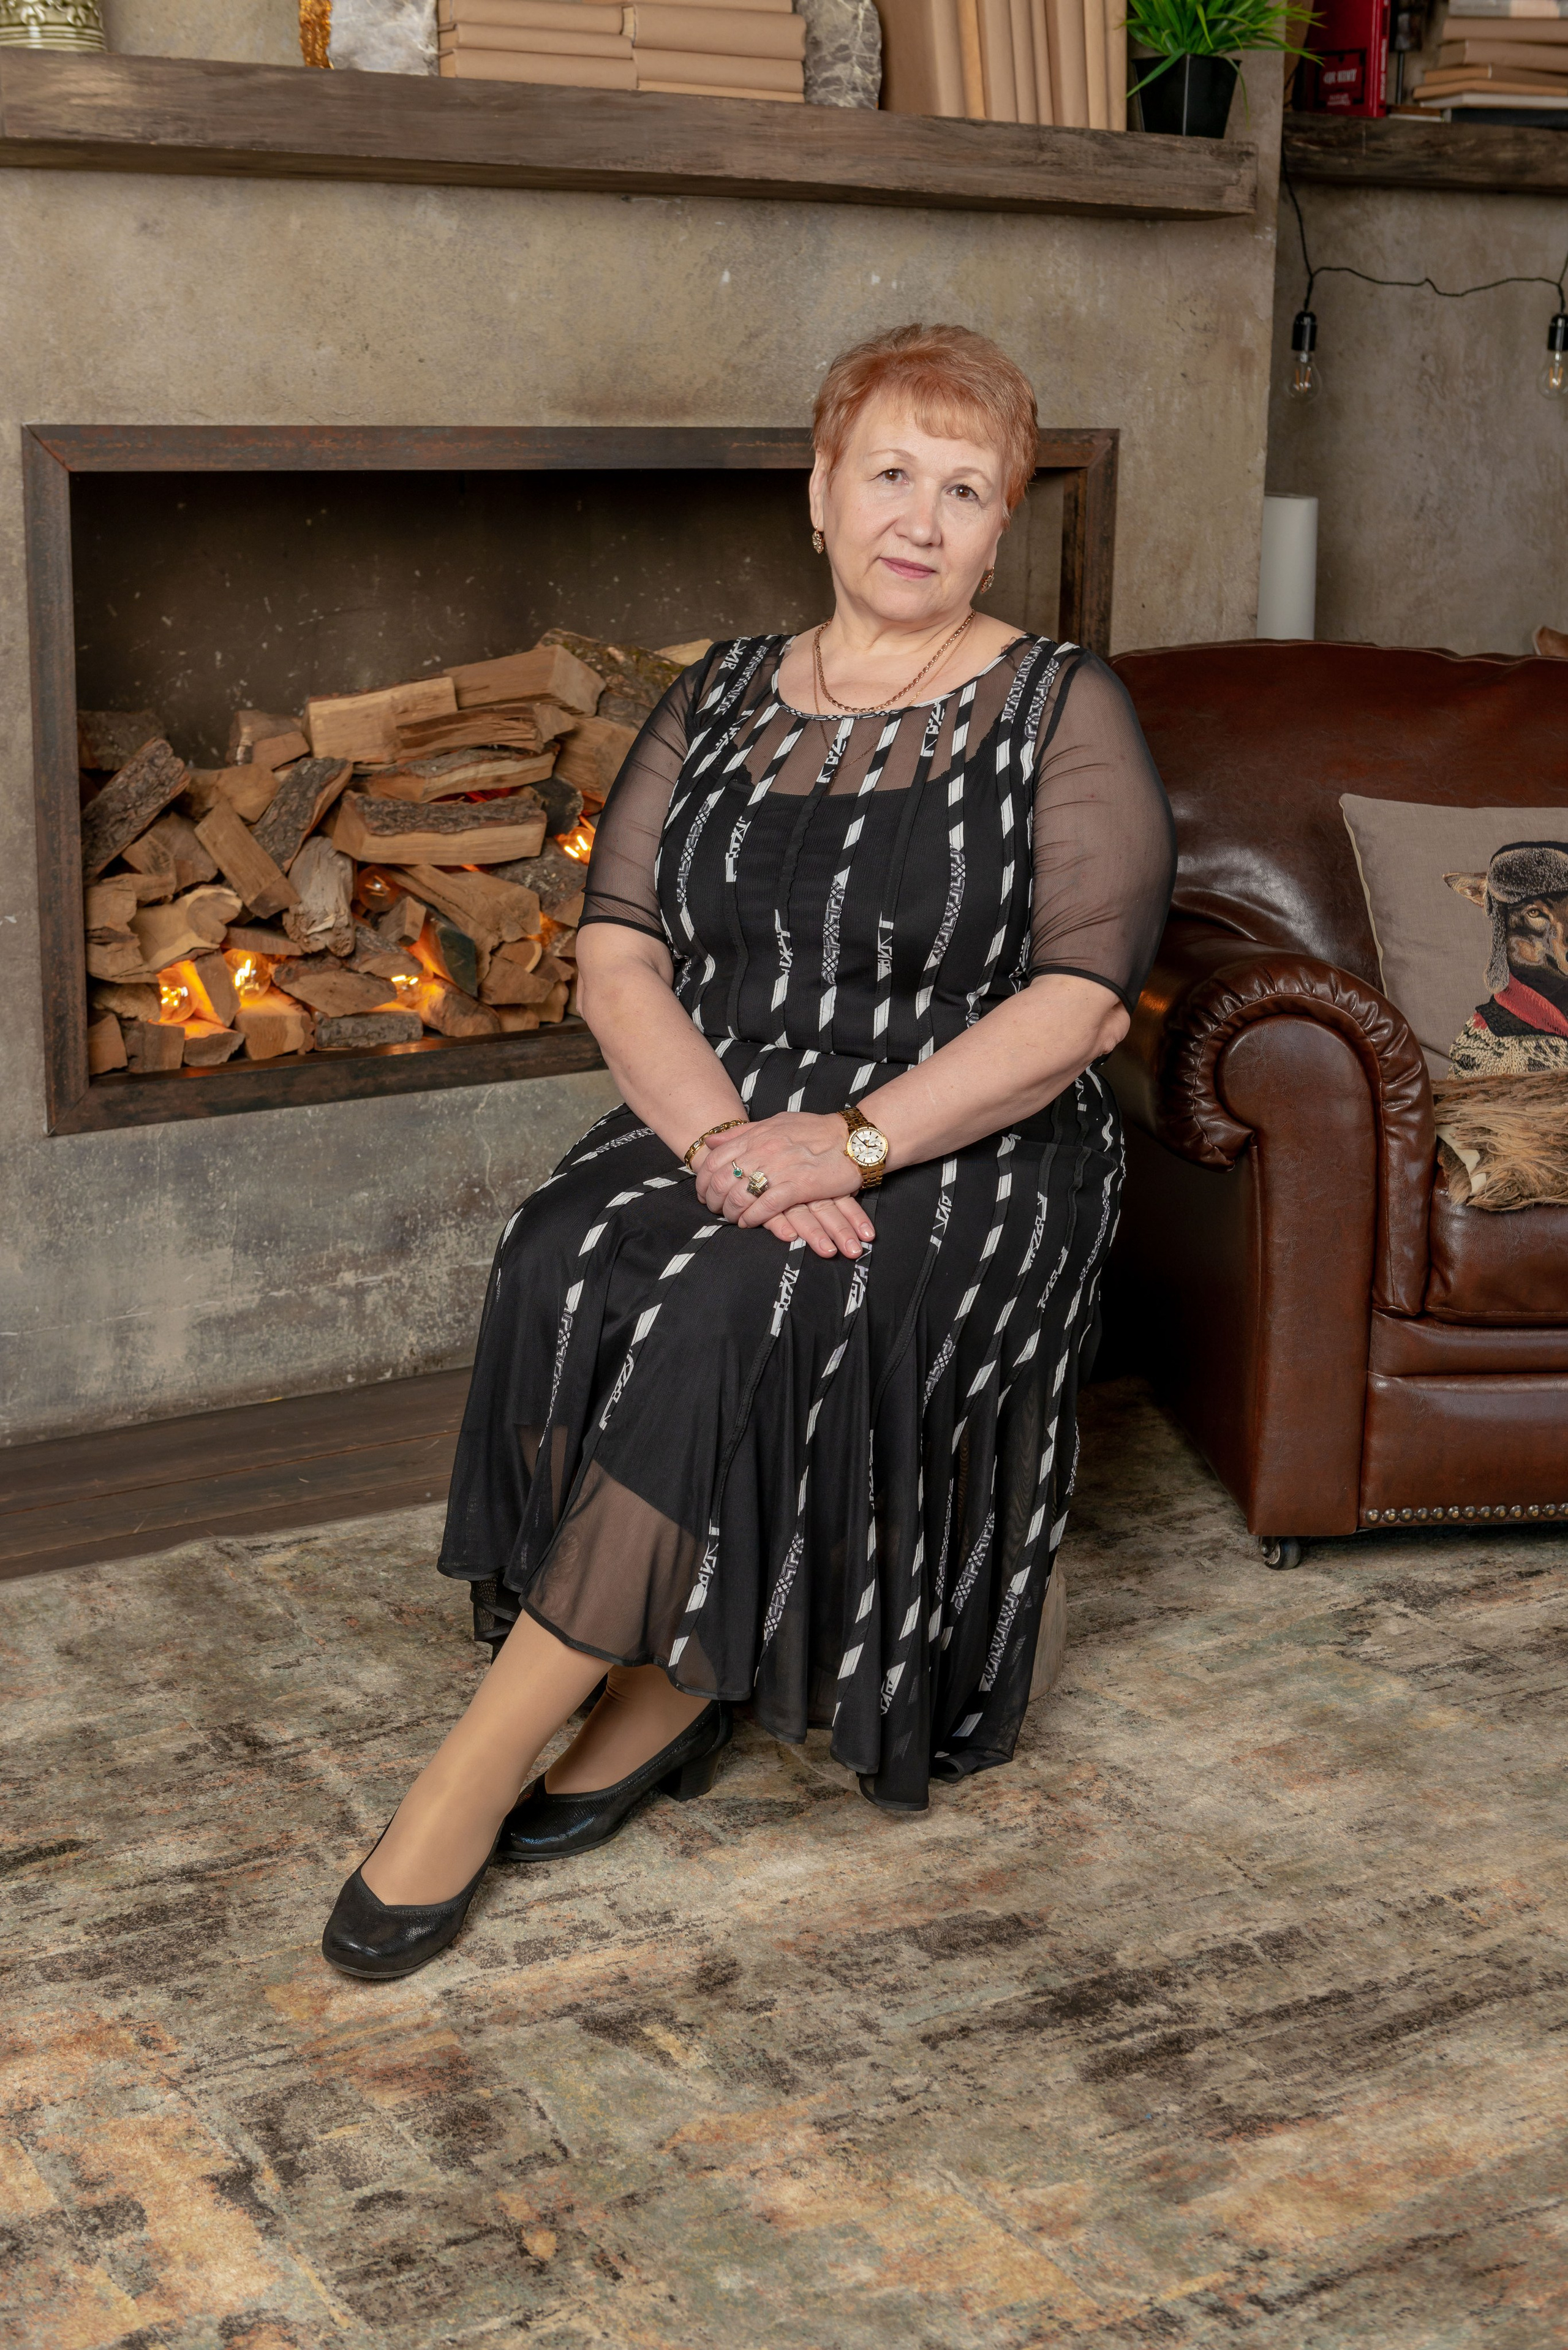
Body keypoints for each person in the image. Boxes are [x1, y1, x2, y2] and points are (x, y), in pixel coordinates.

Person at [322, 322, 1175, 1981]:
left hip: (971, 1134)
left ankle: (476, 1763)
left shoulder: (1061, 705)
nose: (921, 519)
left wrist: (846, 1147)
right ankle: (670, 1659)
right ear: (818, 489)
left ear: (1003, 528)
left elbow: (1080, 1004)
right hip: (738, 1103)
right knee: (567, 1248)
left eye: (966, 488)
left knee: (735, 1312)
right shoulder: (716, 694)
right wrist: (731, 1143)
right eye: (891, 475)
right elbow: (618, 955)